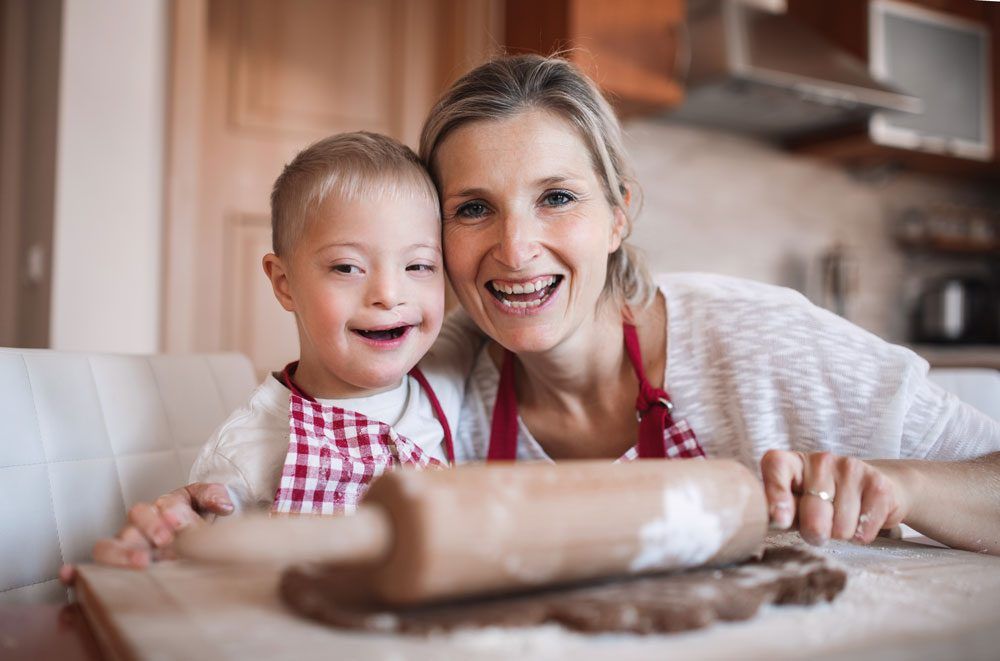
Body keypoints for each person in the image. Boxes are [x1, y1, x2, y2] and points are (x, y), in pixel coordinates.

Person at [75, 55, 1000, 579]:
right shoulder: (435, 372)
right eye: (473, 208)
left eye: (556, 198)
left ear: (618, 212)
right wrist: (195, 513)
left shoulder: (762, 341)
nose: (515, 250)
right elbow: (315, 430)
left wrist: (902, 487)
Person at [64, 132, 479, 575]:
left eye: (418, 265)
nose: (388, 294)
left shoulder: (448, 385)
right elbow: (202, 582)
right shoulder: (246, 451)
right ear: (284, 283)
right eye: (347, 267)